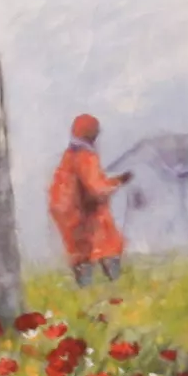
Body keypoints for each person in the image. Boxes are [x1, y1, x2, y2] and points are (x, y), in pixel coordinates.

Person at [49, 111, 127, 286]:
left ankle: (86, 288)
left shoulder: (69, 155)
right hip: (83, 212)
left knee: (80, 253)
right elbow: (96, 189)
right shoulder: (86, 156)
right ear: (91, 133)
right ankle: (114, 282)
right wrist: (117, 183)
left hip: (67, 212)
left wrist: (112, 182)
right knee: (108, 242)